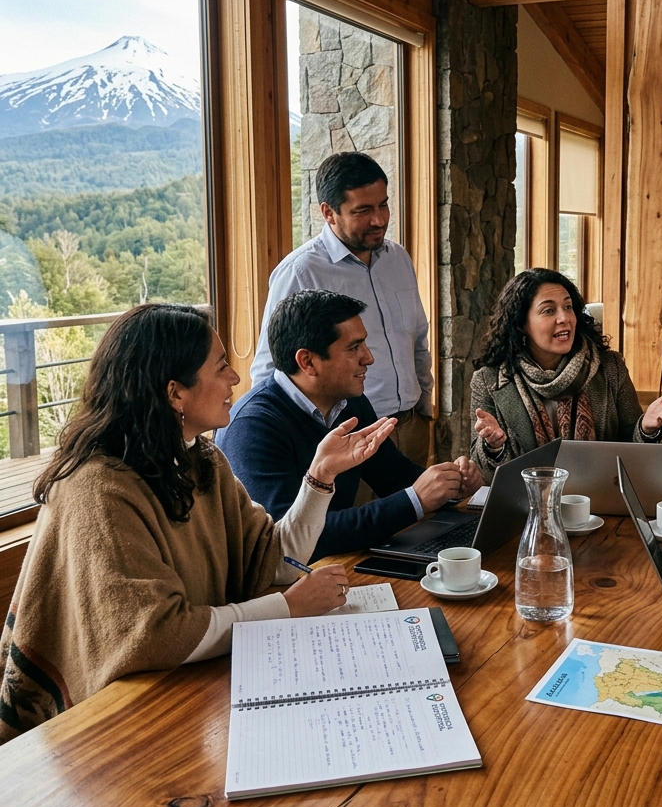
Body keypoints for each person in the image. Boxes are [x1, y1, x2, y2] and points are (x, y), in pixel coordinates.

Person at [0, 304, 395, 743]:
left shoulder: (199, 458)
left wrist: (320, 477)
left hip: (183, 691)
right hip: (97, 730)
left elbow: (272, 558)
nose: (235, 380)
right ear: (175, 393)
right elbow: (157, 635)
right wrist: (288, 607)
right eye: (222, 367)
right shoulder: (97, 488)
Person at [218, 290, 481, 559]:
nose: (368, 358)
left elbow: (395, 476)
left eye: (364, 345)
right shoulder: (252, 428)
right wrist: (416, 499)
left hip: (333, 567)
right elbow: (292, 543)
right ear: (307, 362)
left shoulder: (349, 403)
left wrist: (452, 484)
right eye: (354, 348)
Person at [249, 152, 433, 467]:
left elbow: (417, 338)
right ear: (328, 213)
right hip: (346, 438)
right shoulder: (301, 272)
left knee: (421, 514)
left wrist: (425, 410)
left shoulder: (399, 259)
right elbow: (270, 370)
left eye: (383, 205)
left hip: (411, 426)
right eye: (363, 210)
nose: (379, 220)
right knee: (354, 518)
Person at [470, 268, 662, 480]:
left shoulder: (610, 367)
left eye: (568, 307)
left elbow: (634, 453)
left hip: (599, 507)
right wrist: (495, 447)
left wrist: (646, 429)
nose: (564, 318)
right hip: (526, 510)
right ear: (520, 323)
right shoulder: (488, 381)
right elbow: (484, 474)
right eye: (548, 310)